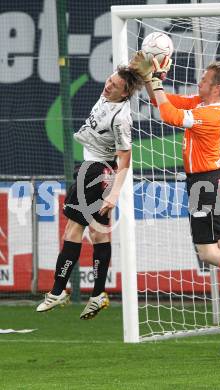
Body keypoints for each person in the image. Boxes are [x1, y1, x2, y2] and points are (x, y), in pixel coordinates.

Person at [130, 52, 220, 327]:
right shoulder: (202, 104)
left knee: (209, 253)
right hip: (213, 181)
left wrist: (155, 77)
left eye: (204, 80)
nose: (199, 84)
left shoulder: (211, 113)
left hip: (204, 184)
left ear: (217, 88)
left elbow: (168, 114)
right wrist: (150, 77)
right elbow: (159, 101)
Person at [36, 65, 144, 319]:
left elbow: (125, 160)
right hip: (95, 169)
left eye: (114, 86)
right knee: (97, 234)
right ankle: (97, 295)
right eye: (109, 80)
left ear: (125, 94)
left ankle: (58, 291)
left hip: (95, 171)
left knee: (72, 229)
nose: (107, 86)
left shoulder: (120, 119)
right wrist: (143, 61)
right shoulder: (109, 95)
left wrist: (114, 194)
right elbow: (130, 71)